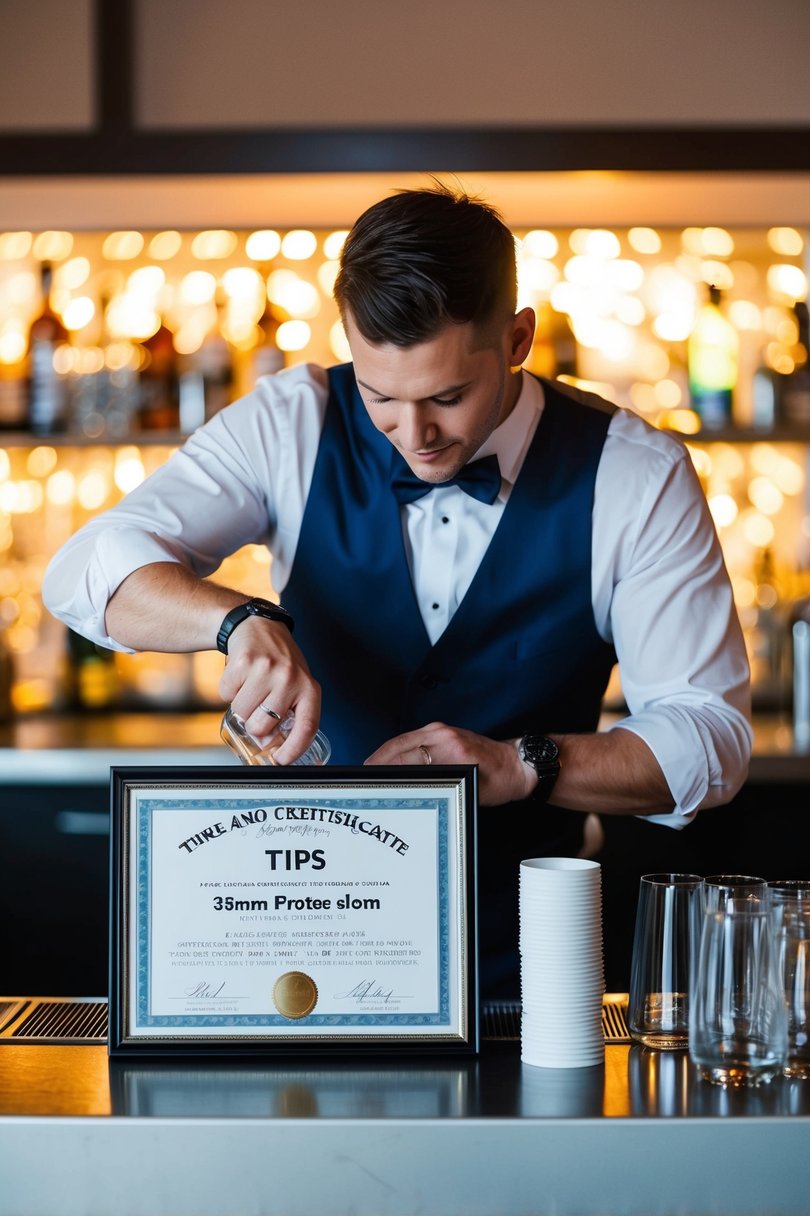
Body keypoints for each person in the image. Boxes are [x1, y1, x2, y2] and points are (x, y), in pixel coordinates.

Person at [42, 184, 752, 996]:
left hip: (527, 954)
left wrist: (525, 765)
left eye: (447, 397)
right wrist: (236, 620)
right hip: (301, 936)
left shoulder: (635, 473)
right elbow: (84, 570)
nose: (413, 437)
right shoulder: (291, 421)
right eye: (380, 397)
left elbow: (711, 738)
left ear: (517, 338)